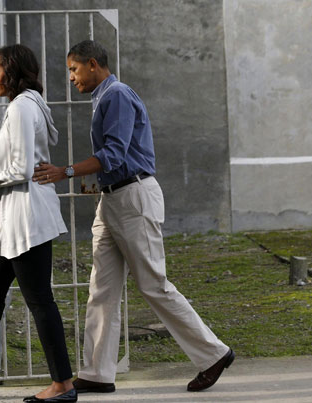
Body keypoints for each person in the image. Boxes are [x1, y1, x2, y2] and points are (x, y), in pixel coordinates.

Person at [32, 40, 234, 394]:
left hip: (133, 196)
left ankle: (213, 354)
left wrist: (64, 171)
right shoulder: (103, 98)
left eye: (74, 70)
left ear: (93, 64)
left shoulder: (117, 95)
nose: (71, 78)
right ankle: (96, 373)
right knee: (102, 288)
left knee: (153, 283)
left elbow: (113, 155)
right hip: (113, 200)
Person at [0, 44, 77, 403]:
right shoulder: (31, 103)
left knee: (39, 301)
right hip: (17, 221)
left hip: (26, 220)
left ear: (14, 70)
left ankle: (63, 385)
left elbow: (20, 169)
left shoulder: (22, 107)